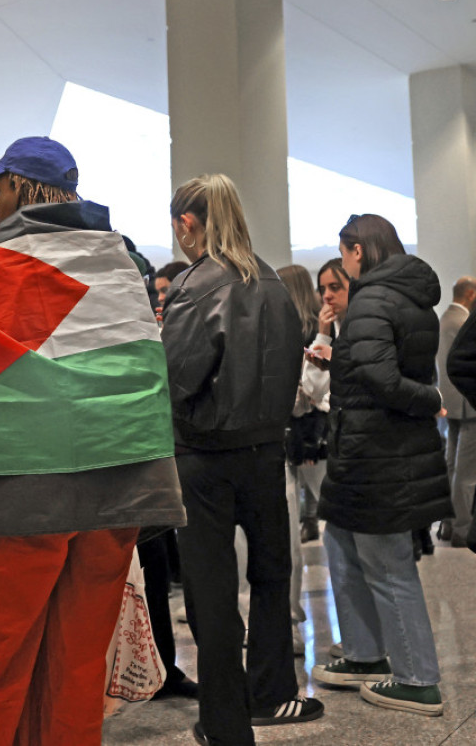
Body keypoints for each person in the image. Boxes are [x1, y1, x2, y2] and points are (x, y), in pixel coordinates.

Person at [0, 136, 185, 745]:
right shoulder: (120, 260)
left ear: (21, 187)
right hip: (117, 487)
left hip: (15, 491)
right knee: (76, 668)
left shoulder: (2, 258)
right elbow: (136, 363)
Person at [161, 174, 324, 745]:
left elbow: (176, 378)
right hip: (265, 451)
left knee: (212, 591)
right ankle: (272, 693)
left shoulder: (194, 285)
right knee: (272, 576)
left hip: (203, 457)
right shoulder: (275, 282)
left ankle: (226, 723)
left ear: (188, 223)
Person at [310, 213, 451, 716]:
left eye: (345, 253)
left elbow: (379, 377)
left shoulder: (371, 297)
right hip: (376, 450)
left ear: (359, 251)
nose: (344, 266)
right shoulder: (411, 297)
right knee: (342, 543)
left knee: (387, 564)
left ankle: (417, 678)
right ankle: (366, 653)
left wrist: (427, 397)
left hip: (376, 453)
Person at [276, 263, 323, 657]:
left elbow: (302, 397)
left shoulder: (293, 333)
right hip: (315, 442)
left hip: (303, 442)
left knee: (290, 536)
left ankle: (289, 620)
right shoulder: (317, 330)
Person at [298, 259, 351, 542]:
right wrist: (323, 334)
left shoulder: (364, 329)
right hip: (332, 439)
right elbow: (314, 390)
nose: (327, 295)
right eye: (322, 289)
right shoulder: (326, 332)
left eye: (335, 287)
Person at [435, 276, 476, 547]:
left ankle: (450, 524)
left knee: (452, 465)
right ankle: (463, 527)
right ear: (471, 294)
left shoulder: (444, 319)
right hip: (468, 403)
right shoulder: (462, 322)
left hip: (451, 402)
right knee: (467, 471)